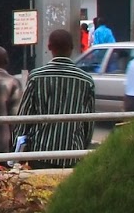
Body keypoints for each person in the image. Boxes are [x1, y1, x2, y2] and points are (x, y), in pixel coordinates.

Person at [12, 28, 96, 169]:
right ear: (72, 48)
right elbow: (89, 122)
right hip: (73, 153)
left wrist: (18, 148)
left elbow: (24, 117)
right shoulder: (86, 80)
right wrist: (83, 146)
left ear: (49, 47)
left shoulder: (36, 77)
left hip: (41, 152)